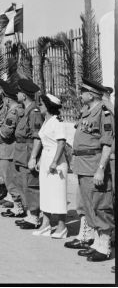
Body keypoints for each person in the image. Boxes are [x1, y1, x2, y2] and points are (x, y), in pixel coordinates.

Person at [71, 79, 114, 262]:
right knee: (89, 205)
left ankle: (105, 246)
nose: (81, 95)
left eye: (83, 92)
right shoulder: (88, 112)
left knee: (101, 205)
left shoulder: (104, 113)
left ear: (91, 94)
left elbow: (106, 144)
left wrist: (101, 169)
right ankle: (97, 242)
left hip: (94, 164)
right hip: (83, 164)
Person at [29, 93, 68, 238]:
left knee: (58, 194)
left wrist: (54, 162)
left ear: (49, 106)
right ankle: (46, 225)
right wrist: (40, 160)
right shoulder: (46, 121)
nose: (39, 107)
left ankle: (62, 228)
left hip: (56, 161)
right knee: (45, 193)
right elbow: (44, 142)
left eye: (42, 104)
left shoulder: (57, 122)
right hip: (46, 158)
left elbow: (61, 143)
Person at [13, 78, 43, 230]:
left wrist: (33, 157)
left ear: (24, 95)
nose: (16, 94)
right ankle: (29, 214)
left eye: (18, 92)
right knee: (22, 184)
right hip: (20, 153)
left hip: (28, 152)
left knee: (31, 185)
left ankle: (35, 216)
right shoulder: (26, 111)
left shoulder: (34, 112)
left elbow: (37, 137)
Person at [0, 80, 26, 218]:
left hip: (8, 149)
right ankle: (18, 206)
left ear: (7, 99)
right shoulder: (17, 110)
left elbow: (6, 133)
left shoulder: (13, 112)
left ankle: (18, 207)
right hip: (11, 149)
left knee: (10, 179)